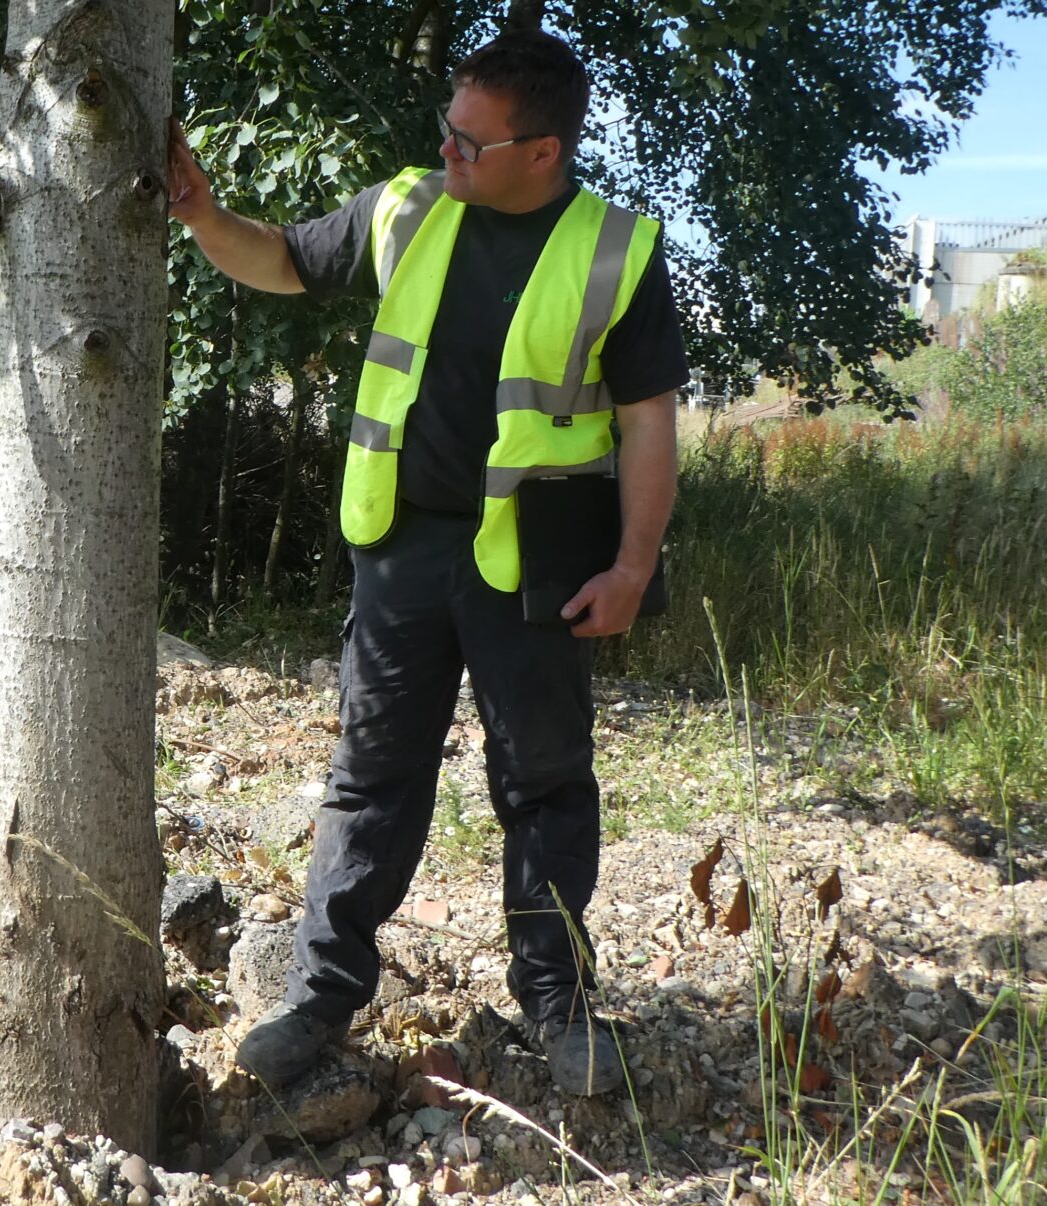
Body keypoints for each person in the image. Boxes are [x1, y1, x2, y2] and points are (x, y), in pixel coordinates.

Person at [164, 28, 688, 1097]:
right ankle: (320, 998)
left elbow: (648, 425)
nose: (446, 150)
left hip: (533, 565)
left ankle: (558, 1006)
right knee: (370, 781)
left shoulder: (614, 251)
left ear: (542, 151)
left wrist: (633, 567)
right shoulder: (408, 205)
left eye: (470, 141)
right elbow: (281, 259)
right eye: (447, 129)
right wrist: (204, 217)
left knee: (543, 783)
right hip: (401, 552)